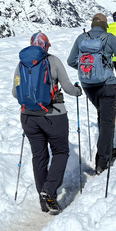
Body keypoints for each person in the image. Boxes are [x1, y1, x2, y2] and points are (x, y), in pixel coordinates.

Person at [12, 32, 82, 214]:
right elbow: (68, 88)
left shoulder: (21, 64)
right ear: (46, 45)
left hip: (28, 118)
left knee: (39, 157)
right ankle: (49, 190)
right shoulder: (53, 61)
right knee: (60, 152)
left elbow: (15, 92)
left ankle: (44, 202)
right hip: (53, 116)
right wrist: (78, 91)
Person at [67, 14, 116, 175]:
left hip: (88, 85)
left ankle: (107, 150)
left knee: (102, 115)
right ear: (105, 25)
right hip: (106, 85)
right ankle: (102, 161)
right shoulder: (109, 38)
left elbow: (70, 61)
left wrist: (87, 70)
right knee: (107, 121)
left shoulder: (81, 38)